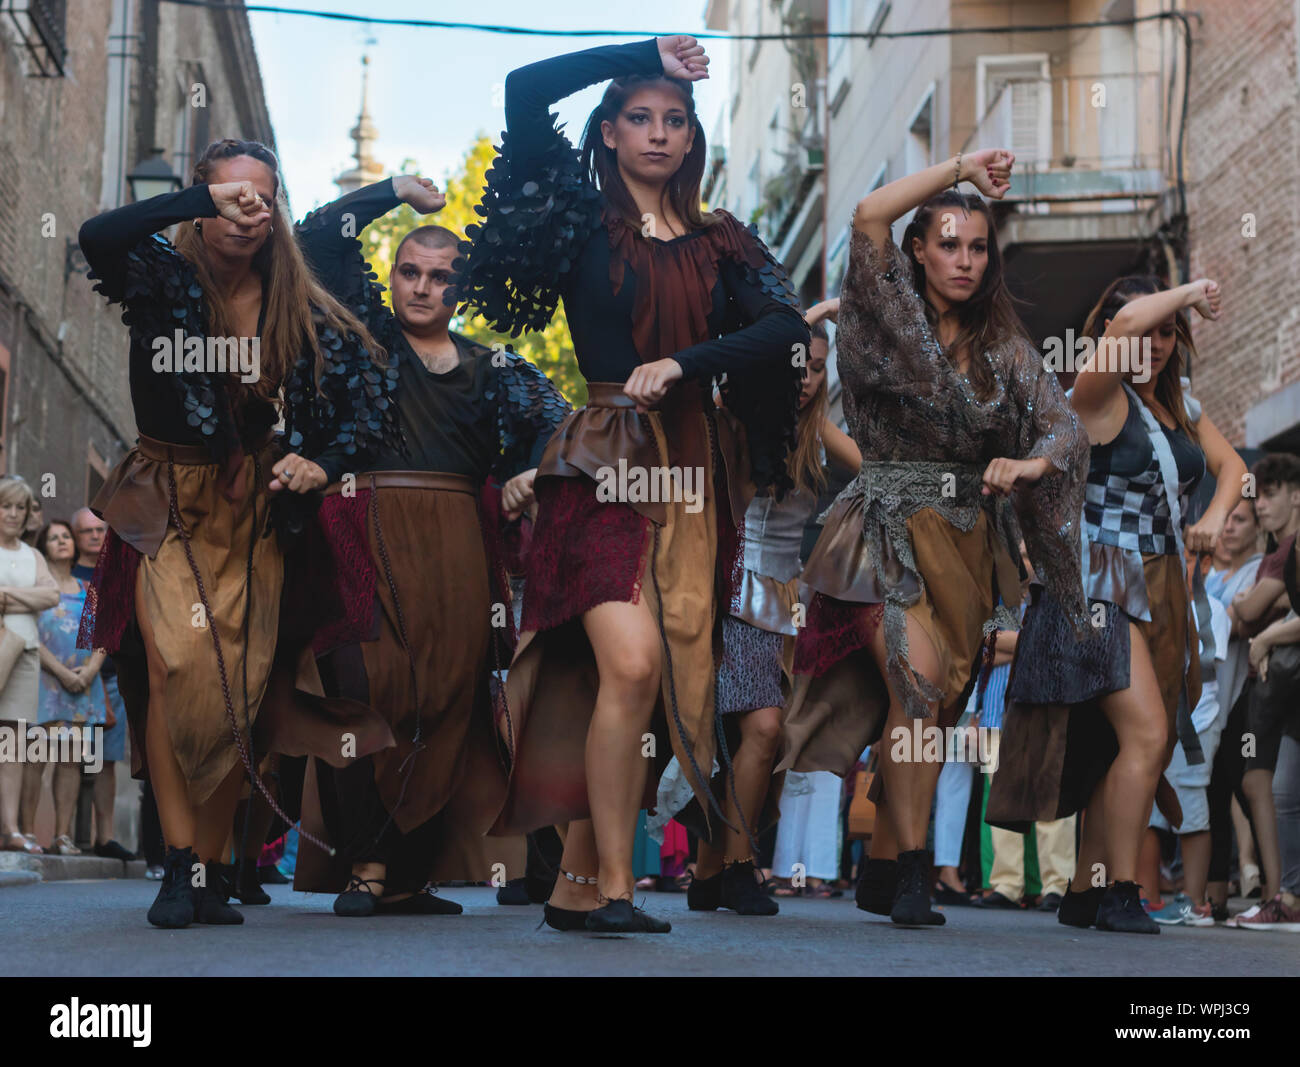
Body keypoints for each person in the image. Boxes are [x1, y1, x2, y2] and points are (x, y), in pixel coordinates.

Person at [455, 35, 807, 933]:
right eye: (640, 117)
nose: (658, 133)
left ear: (692, 139)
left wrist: (683, 363)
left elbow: (786, 328)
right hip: (603, 460)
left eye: (675, 121)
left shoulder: (722, 237)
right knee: (631, 660)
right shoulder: (582, 217)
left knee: (656, 687)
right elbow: (524, 89)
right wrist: (647, 49)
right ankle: (615, 885)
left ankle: (575, 885)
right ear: (609, 132)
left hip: (695, 470)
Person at [77, 137, 400, 929]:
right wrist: (193, 204)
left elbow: (371, 402)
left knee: (239, 682)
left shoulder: (298, 298)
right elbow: (96, 237)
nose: (248, 209)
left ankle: (211, 863)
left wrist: (319, 463)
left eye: (263, 195)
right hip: (166, 495)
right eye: (231, 195)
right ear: (203, 199)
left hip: (254, 505)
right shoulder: (160, 275)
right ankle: (178, 861)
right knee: (175, 662)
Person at [779, 150, 1090, 927]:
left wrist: (1029, 460)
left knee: (934, 709)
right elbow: (866, 216)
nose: (963, 258)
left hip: (968, 545)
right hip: (883, 527)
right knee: (917, 694)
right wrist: (958, 167)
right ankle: (915, 869)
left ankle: (884, 862)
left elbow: (1065, 424)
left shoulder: (1002, 345)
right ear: (919, 249)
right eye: (948, 243)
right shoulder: (888, 310)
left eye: (977, 246)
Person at [291, 174, 569, 917]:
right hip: (362, 528)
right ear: (391, 279)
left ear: (461, 289)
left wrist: (527, 473)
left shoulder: (495, 366)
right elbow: (317, 237)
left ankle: (405, 874)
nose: (423, 287)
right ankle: (367, 864)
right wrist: (392, 191)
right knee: (361, 688)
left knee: (443, 705)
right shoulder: (366, 342)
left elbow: (558, 420)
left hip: (457, 549)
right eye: (409, 272)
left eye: (441, 277)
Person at [990, 275, 1248, 934]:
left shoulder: (1179, 406)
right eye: (1145, 327)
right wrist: (1189, 289)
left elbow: (1233, 470)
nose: (1155, 342)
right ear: (1110, 328)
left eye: (1169, 332)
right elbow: (1129, 328)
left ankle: (1085, 887)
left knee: (1123, 745)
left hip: (1162, 583)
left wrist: (1216, 518)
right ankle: (1121, 889)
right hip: (1099, 577)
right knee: (1147, 733)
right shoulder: (1097, 392)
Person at [686, 313, 860, 914]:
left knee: (745, 739)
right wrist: (803, 318)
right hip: (726, 592)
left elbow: (879, 473)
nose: (806, 378)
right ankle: (737, 869)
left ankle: (711, 872)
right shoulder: (733, 418)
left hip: (784, 606)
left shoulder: (815, 434)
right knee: (757, 730)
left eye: (816, 367)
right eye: (795, 363)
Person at [1226, 453, 1300, 911]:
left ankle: (1279, 893)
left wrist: (1262, 628)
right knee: (1259, 782)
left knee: (1262, 782)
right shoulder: (1277, 556)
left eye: (1270, 495)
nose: (1261, 505)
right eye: (1260, 495)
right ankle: (1279, 892)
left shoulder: (1284, 554)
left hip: (1277, 687)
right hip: (1269, 688)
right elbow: (1243, 618)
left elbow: (1249, 614)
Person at [25, 520, 106, 856]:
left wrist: (87, 674)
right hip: (45, 680)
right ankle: (26, 833)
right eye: (54, 537)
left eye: (66, 537)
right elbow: (26, 633)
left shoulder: (88, 591)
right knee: (35, 757)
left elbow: (101, 638)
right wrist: (61, 672)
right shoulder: (35, 587)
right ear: (44, 547)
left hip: (82, 685)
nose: (61, 542)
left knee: (71, 760)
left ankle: (63, 836)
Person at [1201, 496, 1264, 921]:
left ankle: (1279, 887)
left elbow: (1245, 622)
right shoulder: (1209, 576)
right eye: (1227, 519)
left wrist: (1225, 617)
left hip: (1245, 699)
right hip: (1209, 705)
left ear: (1257, 527)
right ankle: (1215, 898)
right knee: (1215, 793)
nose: (1229, 527)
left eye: (1239, 520)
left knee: (1248, 789)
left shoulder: (1260, 569)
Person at [66, 507, 133, 862]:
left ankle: (105, 837)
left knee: (104, 760)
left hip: (109, 677)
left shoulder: (119, 573)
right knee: (66, 757)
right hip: (66, 679)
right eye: (86, 531)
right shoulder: (61, 573)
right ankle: (64, 835)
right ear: (75, 537)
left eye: (100, 529)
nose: (94, 535)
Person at [0, 476, 60, 853]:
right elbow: (39, 596)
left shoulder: (32, 555)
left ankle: (11, 829)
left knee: (14, 744)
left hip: (25, 654)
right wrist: (29, 598)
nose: (13, 514)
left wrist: (5, 596)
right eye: (6, 505)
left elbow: (51, 594)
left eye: (20, 508)